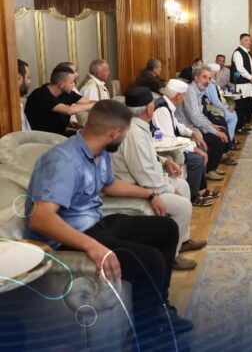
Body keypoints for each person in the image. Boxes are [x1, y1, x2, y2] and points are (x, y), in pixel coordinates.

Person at [23, 100, 193, 348]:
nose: (125, 138)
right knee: (150, 259)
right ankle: (149, 334)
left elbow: (110, 185)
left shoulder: (98, 150)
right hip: (71, 237)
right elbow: (40, 218)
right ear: (114, 133)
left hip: (97, 224)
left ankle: (160, 309)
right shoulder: (62, 161)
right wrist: (91, 245)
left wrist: (150, 194)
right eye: (125, 134)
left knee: (166, 229)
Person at [111, 87, 206, 270]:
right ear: (149, 109)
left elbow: (147, 156)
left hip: (144, 180)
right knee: (182, 205)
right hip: (135, 187)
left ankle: (183, 241)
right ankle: (172, 256)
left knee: (183, 186)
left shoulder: (137, 126)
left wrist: (165, 161)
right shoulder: (133, 133)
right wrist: (169, 189)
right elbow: (144, 174)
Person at [152, 78, 218, 207]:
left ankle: (201, 189)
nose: (184, 99)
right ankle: (194, 196)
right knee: (197, 159)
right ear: (177, 96)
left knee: (200, 147)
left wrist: (192, 134)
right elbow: (169, 139)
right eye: (183, 96)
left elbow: (176, 124)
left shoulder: (167, 104)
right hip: (165, 148)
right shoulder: (162, 110)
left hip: (170, 143)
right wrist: (193, 149)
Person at [175, 66, 230, 180]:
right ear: (196, 78)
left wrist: (211, 125)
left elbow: (200, 115)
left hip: (195, 125)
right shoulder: (190, 91)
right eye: (204, 77)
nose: (207, 81)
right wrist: (214, 131)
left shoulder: (199, 90)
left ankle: (213, 167)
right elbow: (195, 118)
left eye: (209, 78)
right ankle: (209, 170)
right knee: (218, 139)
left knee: (222, 130)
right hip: (187, 128)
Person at [25, 65, 95, 135]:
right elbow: (69, 110)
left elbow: (88, 102)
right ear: (61, 85)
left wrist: (99, 104)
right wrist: (93, 105)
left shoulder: (67, 93)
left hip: (58, 134)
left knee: (89, 135)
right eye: (71, 82)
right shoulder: (41, 94)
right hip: (39, 137)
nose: (74, 85)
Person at [204, 62, 238, 144]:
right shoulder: (210, 85)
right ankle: (229, 140)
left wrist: (227, 106)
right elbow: (215, 102)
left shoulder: (213, 83)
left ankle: (229, 138)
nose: (219, 74)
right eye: (219, 72)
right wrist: (227, 108)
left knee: (233, 113)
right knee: (233, 117)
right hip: (212, 110)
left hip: (215, 107)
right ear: (215, 72)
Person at [231, 33, 252, 132]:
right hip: (240, 84)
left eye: (249, 40)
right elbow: (240, 69)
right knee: (240, 107)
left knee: (247, 106)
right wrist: (250, 77)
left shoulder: (247, 53)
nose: (248, 42)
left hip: (247, 84)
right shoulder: (238, 53)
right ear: (241, 41)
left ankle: (243, 125)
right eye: (246, 40)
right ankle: (238, 128)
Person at [17, 59, 31, 131]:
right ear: (18, 78)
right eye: (28, 77)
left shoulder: (20, 103)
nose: (30, 82)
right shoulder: (15, 107)